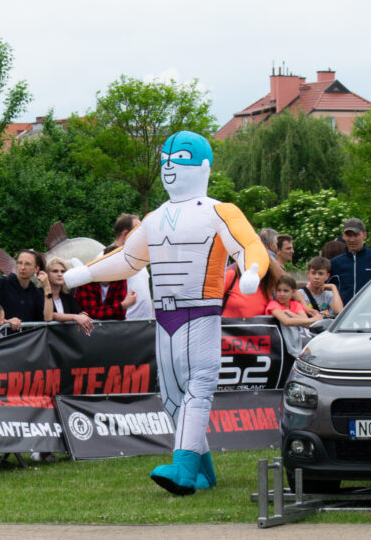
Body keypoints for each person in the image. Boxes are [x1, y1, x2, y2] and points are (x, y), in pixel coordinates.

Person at [64, 131, 269, 496]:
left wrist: (253, 270)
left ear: (203, 166)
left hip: (200, 312)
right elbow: (128, 258)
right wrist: (88, 272)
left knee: (197, 388)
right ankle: (202, 472)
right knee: (173, 397)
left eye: (182, 159)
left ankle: (184, 469)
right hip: (166, 318)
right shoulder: (155, 218)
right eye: (166, 159)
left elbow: (249, 244)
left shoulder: (219, 211)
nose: (171, 166)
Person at [330, 218, 371, 305]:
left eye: (356, 235)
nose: (352, 239)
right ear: (343, 236)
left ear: (365, 235)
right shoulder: (335, 263)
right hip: (344, 315)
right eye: (349, 235)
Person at [0, 249, 45, 322]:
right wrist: (5, 321)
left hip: (26, 333)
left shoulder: (35, 292)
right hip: (2, 332)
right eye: (20, 263)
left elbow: (43, 317)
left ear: (36, 269)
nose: (22, 268)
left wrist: (47, 287)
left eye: (27, 264)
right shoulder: (4, 283)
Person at [73, 245, 134, 321]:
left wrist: (119, 307)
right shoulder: (87, 280)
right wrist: (122, 305)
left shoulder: (120, 279)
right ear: (104, 260)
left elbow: (120, 316)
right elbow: (91, 313)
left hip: (107, 329)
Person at [114, 214, 153, 320]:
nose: (143, 236)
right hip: (123, 325)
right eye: (138, 232)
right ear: (126, 234)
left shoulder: (138, 256)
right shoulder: (107, 258)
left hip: (145, 324)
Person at [41, 257, 94, 335]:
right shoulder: (39, 292)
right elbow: (50, 315)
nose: (59, 274)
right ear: (47, 274)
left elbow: (78, 312)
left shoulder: (67, 294)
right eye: (55, 271)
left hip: (65, 339)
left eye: (63, 271)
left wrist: (82, 316)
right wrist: (75, 317)